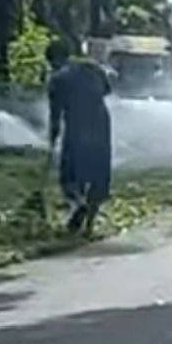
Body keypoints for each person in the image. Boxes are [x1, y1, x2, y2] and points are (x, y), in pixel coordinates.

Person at [46, 38, 114, 236]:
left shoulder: (57, 79)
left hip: (77, 129)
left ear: (54, 59)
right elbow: (107, 91)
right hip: (101, 127)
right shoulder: (92, 68)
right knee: (98, 176)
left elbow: (55, 116)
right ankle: (89, 227)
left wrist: (52, 139)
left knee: (70, 177)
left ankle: (78, 203)